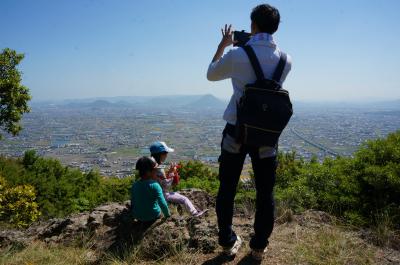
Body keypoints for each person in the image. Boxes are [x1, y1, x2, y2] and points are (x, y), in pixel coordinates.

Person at [207, 4, 292, 261]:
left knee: (228, 187)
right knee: (265, 192)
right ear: (276, 27)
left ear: (253, 25)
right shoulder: (287, 60)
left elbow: (211, 75)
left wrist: (224, 45)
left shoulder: (237, 54)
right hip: (267, 135)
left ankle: (227, 241)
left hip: (236, 130)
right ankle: (258, 246)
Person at [149, 141, 207, 217]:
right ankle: (195, 213)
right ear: (161, 154)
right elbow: (166, 186)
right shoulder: (159, 169)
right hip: (162, 194)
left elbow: (159, 179)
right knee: (184, 199)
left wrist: (170, 171)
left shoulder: (151, 165)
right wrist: (172, 173)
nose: (166, 155)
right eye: (166, 153)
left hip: (151, 193)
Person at [131, 156, 171, 227]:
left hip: (138, 216)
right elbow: (162, 203)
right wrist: (168, 216)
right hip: (153, 216)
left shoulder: (134, 185)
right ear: (148, 172)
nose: (157, 172)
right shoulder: (155, 185)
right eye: (155, 170)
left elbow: (133, 202)